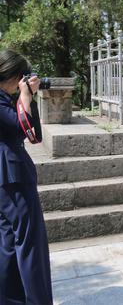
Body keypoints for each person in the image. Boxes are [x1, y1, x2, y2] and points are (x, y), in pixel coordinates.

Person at [0, 50, 53, 304]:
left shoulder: (5, 99)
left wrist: (27, 97)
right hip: (12, 175)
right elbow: (23, 127)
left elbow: (35, 135)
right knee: (31, 241)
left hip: (8, 176)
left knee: (9, 241)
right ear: (10, 75)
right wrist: (24, 95)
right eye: (21, 76)